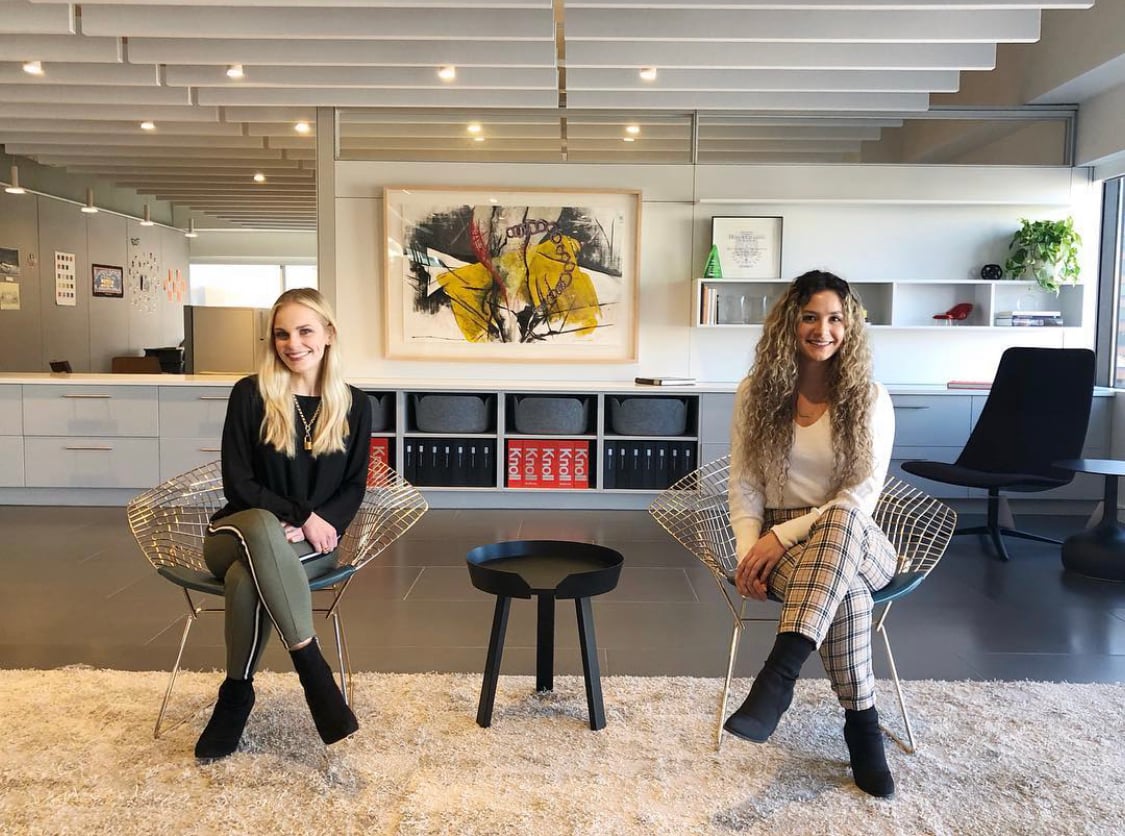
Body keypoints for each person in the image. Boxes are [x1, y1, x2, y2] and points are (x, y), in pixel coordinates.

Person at [725, 270, 897, 799]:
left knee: (840, 522)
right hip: (796, 554)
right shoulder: (758, 393)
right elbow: (745, 484)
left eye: (835, 318)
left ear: (850, 327)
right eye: (810, 317)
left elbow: (858, 500)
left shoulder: (869, 398)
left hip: (862, 540)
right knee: (845, 597)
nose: (823, 329)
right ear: (789, 324)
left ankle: (779, 674)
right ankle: (863, 727)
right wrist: (750, 549)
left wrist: (780, 539)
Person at [194, 288, 372, 762]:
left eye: (305, 330)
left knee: (245, 579)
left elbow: (355, 485)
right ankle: (312, 668)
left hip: (310, 545)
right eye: (281, 334)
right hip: (236, 533)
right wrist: (301, 516)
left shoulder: (355, 405)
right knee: (258, 532)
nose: (292, 343)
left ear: (329, 335)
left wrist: (322, 523)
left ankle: (235, 695)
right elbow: (238, 483)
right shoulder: (250, 394)